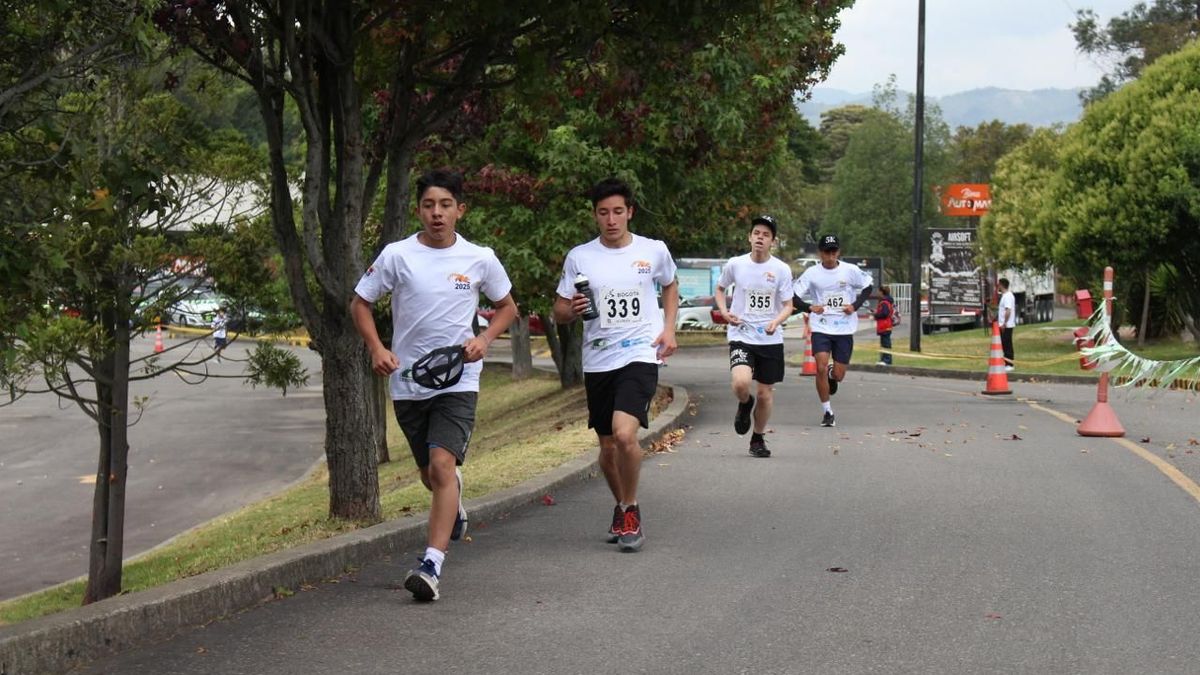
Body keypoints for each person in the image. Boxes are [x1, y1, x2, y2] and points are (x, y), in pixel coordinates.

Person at [350, 169, 517, 602]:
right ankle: (452, 498)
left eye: (445, 205)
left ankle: (431, 566)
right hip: (408, 381)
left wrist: (484, 339)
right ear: (418, 210)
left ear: (461, 210)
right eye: (429, 205)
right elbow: (361, 303)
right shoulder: (397, 255)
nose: (437, 213)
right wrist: (376, 348)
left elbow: (507, 308)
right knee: (430, 473)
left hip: (459, 378)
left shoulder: (480, 258)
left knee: (442, 466)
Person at [552, 177, 679, 552]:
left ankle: (631, 509)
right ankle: (621, 504)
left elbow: (670, 285)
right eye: (603, 213)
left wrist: (669, 329)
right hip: (598, 360)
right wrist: (571, 309)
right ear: (595, 215)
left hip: (640, 352)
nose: (611, 220)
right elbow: (559, 311)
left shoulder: (653, 250)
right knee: (607, 449)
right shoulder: (580, 257)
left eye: (618, 212)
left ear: (630, 212)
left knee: (625, 435)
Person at [714, 215, 794, 458]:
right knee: (741, 383)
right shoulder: (736, 264)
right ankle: (744, 403)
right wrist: (725, 312)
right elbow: (720, 289)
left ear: (773, 241)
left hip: (770, 338)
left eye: (766, 235)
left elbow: (788, 305)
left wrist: (776, 321)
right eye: (757, 233)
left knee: (765, 394)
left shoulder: (781, 269)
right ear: (749, 237)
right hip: (741, 333)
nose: (760, 238)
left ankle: (757, 438)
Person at [792, 234, 873, 428]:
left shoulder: (850, 270)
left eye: (834, 251)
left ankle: (832, 374)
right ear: (820, 253)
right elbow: (793, 296)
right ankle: (827, 411)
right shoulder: (812, 273)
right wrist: (810, 307)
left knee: (839, 375)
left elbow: (868, 286)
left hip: (844, 328)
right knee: (819, 366)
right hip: (821, 326)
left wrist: (854, 306)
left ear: (839, 252)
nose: (830, 256)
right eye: (827, 252)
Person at [873, 286, 895, 366]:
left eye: (879, 291)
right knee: (884, 343)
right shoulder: (886, 302)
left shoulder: (884, 302)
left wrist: (876, 315)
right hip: (885, 325)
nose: (877, 293)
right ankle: (883, 359)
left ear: (882, 292)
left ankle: (887, 360)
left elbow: (885, 313)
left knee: (886, 343)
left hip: (885, 325)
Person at [997, 277, 1016, 371]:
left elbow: (1008, 310)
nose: (998, 286)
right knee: (1004, 344)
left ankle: (1010, 364)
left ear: (1001, 285)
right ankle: (1006, 363)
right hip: (1004, 325)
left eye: (998, 284)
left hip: (1007, 325)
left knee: (1007, 344)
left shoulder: (1008, 296)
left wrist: (1004, 323)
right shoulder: (1005, 295)